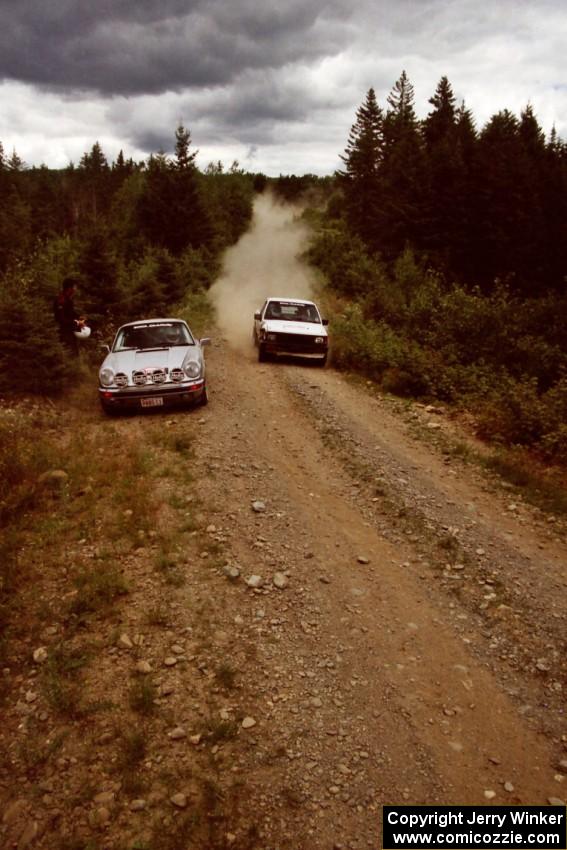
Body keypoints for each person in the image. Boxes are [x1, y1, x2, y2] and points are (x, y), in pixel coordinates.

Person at [53, 276, 85, 354]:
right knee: (69, 353)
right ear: (69, 288)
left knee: (74, 352)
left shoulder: (68, 299)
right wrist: (76, 323)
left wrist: (80, 318)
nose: (75, 289)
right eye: (74, 287)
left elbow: (71, 313)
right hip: (63, 333)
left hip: (70, 331)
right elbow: (61, 319)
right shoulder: (61, 300)